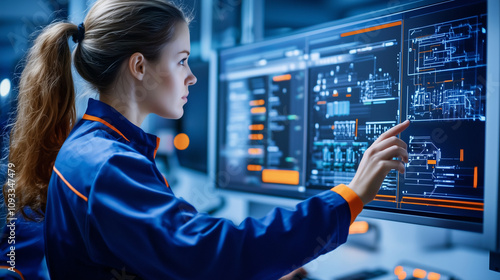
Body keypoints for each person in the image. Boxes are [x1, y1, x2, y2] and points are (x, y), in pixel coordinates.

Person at [2, 0, 410, 279]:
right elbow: (213, 255)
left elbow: (174, 255)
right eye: (181, 61)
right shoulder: (109, 164)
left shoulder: (92, 146)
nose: (192, 76)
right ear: (139, 66)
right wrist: (351, 195)